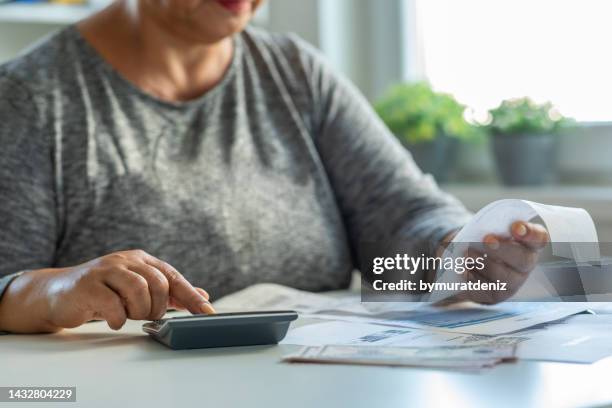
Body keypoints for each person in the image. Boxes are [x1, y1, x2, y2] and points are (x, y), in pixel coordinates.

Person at [0, 0, 548, 334]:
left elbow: (403, 218)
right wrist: (55, 290)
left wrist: (466, 253)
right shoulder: (29, 99)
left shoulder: (296, 74)